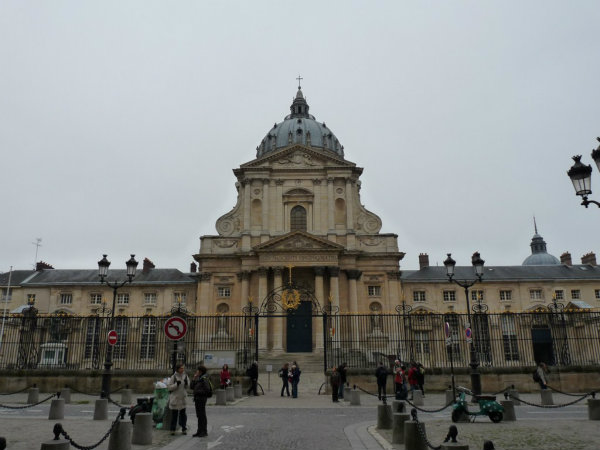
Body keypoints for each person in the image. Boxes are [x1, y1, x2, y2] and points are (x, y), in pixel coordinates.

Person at [167, 363, 190, 435]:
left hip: (182, 398)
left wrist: (186, 384)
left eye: (183, 368)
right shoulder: (173, 377)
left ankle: (184, 429)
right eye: (181, 368)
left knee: (183, 415)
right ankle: (172, 430)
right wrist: (176, 384)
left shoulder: (185, 376)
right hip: (175, 398)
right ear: (177, 369)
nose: (182, 369)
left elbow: (187, 387)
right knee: (174, 415)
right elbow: (169, 387)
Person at [190, 365, 211, 438]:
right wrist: (194, 378)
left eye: (197, 371)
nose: (196, 372)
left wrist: (198, 392)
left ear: (200, 371)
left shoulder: (204, 379)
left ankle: (204, 431)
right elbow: (192, 387)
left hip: (201, 399)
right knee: (199, 415)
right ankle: (199, 431)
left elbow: (207, 390)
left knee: (202, 415)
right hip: (197, 399)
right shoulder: (199, 378)